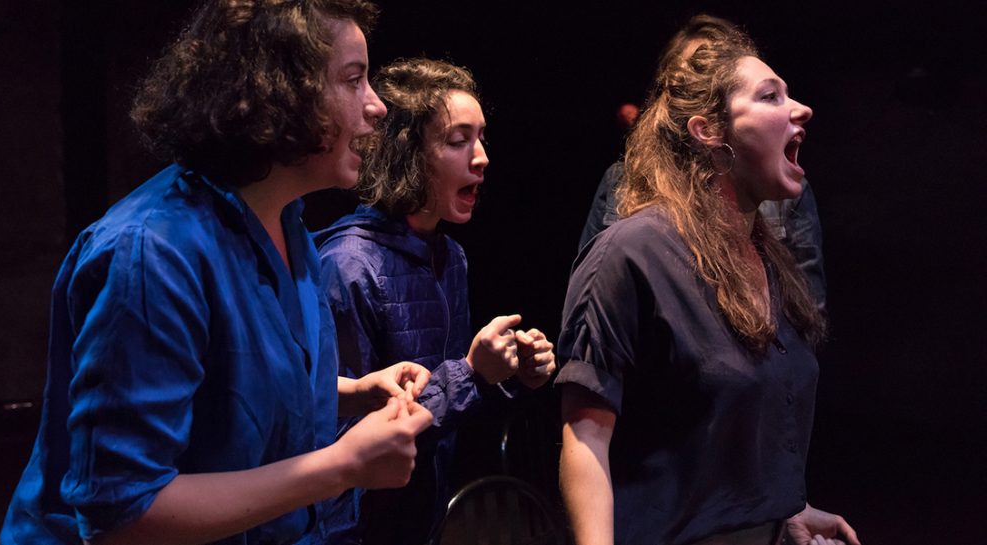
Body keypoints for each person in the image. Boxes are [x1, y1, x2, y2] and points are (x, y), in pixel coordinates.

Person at [1, 2, 434, 544]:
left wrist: (350, 392)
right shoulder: (152, 252)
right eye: (353, 79)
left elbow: (229, 391)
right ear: (279, 92)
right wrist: (341, 466)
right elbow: (124, 516)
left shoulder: (287, 223)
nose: (376, 106)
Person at [557, 15, 860, 545]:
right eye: (770, 96)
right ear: (710, 131)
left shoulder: (768, 260)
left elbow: (733, 427)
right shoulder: (633, 252)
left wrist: (783, 513)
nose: (801, 108)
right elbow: (585, 441)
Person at [314, 58, 557, 545]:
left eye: (481, 137)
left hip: (422, 521)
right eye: (457, 140)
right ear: (409, 153)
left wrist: (510, 376)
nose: (482, 156)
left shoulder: (451, 258)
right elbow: (346, 438)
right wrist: (470, 372)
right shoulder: (348, 265)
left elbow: (449, 410)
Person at [578, 164, 827, 313]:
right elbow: (587, 298)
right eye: (769, 97)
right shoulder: (625, 178)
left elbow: (808, 308)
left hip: (753, 373)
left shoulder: (786, 190)